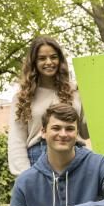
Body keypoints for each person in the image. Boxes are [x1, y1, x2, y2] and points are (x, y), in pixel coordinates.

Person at [8, 36, 88, 176]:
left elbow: (85, 132)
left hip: (76, 155)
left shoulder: (75, 91)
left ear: (60, 60)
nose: (49, 62)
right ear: (34, 62)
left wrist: (91, 101)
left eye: (53, 57)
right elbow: (17, 139)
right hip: (39, 156)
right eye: (42, 58)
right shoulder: (23, 97)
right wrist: (24, 174)